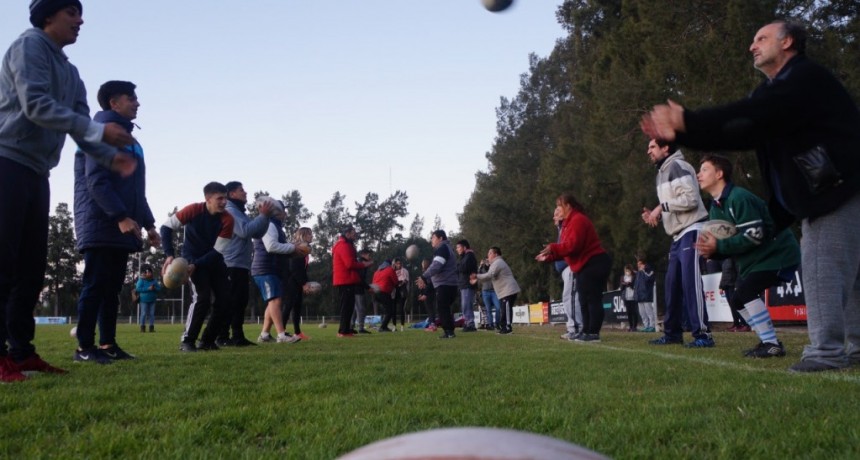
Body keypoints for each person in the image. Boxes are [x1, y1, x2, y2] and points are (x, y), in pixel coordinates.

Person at [642, 20, 860, 372]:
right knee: (852, 276)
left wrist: (688, 122)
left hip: (838, 191)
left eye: (761, 39)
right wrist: (686, 132)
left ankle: (826, 352)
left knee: (823, 270)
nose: (751, 46)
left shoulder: (805, 79)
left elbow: (753, 119)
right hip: (837, 191)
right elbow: (745, 129)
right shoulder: (772, 93)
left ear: (787, 42)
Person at [0, 0, 138, 381]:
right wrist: (99, 131)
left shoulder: (72, 72)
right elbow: (36, 105)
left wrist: (111, 159)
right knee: (4, 262)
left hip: (37, 171)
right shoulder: (28, 47)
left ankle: (22, 352)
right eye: (71, 13)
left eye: (81, 13)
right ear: (48, 17)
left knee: (31, 268)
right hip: (7, 161)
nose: (80, 20)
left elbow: (80, 129)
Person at [70, 80, 158, 364]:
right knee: (95, 285)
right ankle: (84, 346)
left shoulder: (132, 143)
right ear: (113, 103)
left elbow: (135, 191)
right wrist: (119, 216)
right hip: (100, 221)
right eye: (131, 98)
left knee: (111, 289)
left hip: (122, 224)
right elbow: (96, 181)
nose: (137, 103)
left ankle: (107, 344)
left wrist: (150, 225)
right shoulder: (100, 133)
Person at [696, 155, 800, 358]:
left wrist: (719, 245)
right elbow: (730, 245)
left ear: (719, 174)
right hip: (756, 261)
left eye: (704, 169)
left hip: (778, 254)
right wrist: (713, 251)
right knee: (737, 301)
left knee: (746, 292)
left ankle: (771, 343)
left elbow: (755, 235)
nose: (699, 174)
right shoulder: (715, 209)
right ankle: (768, 341)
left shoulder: (739, 198)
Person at [641, 138, 712, 348]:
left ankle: (703, 335)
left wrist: (660, 208)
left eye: (652, 147)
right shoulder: (662, 172)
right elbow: (673, 204)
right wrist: (657, 214)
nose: (648, 151)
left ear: (666, 148)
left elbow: (690, 199)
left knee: (691, 284)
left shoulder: (677, 166)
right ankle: (672, 333)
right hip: (677, 236)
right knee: (671, 286)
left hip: (692, 230)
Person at [160, 182, 234, 352]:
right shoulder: (193, 210)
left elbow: (217, 251)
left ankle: (207, 340)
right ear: (208, 199)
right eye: (220, 198)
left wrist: (197, 264)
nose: (224, 202)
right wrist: (170, 254)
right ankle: (187, 340)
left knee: (225, 300)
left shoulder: (228, 220)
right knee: (202, 298)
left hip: (213, 262)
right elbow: (166, 227)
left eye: (225, 198)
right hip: (190, 261)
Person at [536, 193, 612, 342]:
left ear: (568, 206)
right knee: (583, 300)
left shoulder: (578, 220)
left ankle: (593, 332)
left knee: (592, 299)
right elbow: (566, 250)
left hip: (594, 262)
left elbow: (573, 246)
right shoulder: (567, 224)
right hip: (583, 265)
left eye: (559, 206)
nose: (557, 210)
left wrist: (553, 247)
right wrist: (549, 257)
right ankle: (585, 331)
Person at [218, 181, 272, 347]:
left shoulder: (239, 211)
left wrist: (265, 217)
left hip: (239, 264)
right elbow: (245, 231)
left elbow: (257, 232)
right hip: (230, 263)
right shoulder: (230, 210)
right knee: (232, 301)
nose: (245, 193)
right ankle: (223, 337)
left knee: (240, 300)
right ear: (231, 194)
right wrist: (263, 215)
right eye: (241, 190)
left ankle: (237, 336)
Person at [252, 198, 303, 344]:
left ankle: (265, 335)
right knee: (275, 300)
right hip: (265, 268)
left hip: (271, 268)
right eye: (282, 210)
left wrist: (292, 247)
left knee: (273, 301)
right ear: (276, 211)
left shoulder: (275, 225)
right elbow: (271, 246)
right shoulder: (269, 224)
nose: (285, 214)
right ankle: (282, 335)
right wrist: (293, 248)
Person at [332, 225, 373, 337]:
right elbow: (349, 264)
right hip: (344, 280)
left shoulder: (346, 245)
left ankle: (346, 330)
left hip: (347, 279)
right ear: (347, 233)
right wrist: (364, 264)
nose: (355, 236)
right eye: (353, 234)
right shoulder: (344, 246)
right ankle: (343, 331)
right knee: (346, 306)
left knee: (349, 306)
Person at [416, 230, 459, 339]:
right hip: (450, 283)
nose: (431, 240)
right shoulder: (447, 248)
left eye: (433, 237)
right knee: (445, 308)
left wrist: (424, 276)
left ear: (440, 238)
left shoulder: (442, 248)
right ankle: (450, 331)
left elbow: (436, 265)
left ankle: (448, 332)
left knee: (442, 308)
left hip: (445, 283)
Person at [472, 247, 521, 334]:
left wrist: (477, 276)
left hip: (508, 290)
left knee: (506, 310)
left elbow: (489, 275)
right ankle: (503, 328)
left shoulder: (498, 262)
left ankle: (507, 328)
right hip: (504, 291)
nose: (488, 255)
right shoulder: (494, 264)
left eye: (490, 253)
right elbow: (489, 276)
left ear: (496, 254)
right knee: (503, 309)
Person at [555, 206, 582, 339]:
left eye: (557, 213)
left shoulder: (568, 227)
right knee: (569, 297)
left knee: (570, 297)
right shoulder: (561, 229)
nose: (554, 216)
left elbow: (568, 247)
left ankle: (576, 328)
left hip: (570, 267)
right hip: (565, 269)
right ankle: (574, 326)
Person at [284, 227, 314, 340]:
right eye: (309, 234)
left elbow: (303, 269)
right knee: (288, 305)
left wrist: (306, 282)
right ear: (303, 235)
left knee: (297, 307)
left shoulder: (305, 249)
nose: (312, 236)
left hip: (297, 281)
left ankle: (297, 332)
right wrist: (303, 283)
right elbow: (295, 269)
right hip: (291, 281)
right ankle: (282, 331)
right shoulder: (297, 249)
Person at [455, 239, 478, 332]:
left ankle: (470, 323)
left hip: (467, 284)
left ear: (464, 247)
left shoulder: (469, 256)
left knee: (467, 305)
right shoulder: (465, 257)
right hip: (464, 284)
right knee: (465, 305)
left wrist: (457, 266)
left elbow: (463, 268)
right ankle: (467, 322)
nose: (457, 249)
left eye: (458, 247)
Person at [372, 260, 398, 332]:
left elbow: (373, 282)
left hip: (375, 293)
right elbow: (395, 281)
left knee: (386, 310)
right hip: (384, 292)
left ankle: (384, 326)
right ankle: (383, 327)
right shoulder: (390, 269)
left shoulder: (377, 272)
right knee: (389, 311)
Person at [352, 249, 374, 334]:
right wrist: (368, 287)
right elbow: (360, 279)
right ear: (363, 254)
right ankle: (361, 328)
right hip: (358, 289)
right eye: (369, 254)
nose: (370, 257)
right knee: (361, 309)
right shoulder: (362, 264)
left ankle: (351, 326)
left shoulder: (360, 262)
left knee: (354, 309)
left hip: (354, 288)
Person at [135, 265, 161, 333]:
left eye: (150, 272)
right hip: (144, 300)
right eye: (147, 272)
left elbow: (159, 288)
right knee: (143, 314)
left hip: (152, 300)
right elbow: (138, 289)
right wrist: (148, 289)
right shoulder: (141, 280)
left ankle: (151, 328)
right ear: (145, 273)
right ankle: (142, 328)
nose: (149, 273)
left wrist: (154, 288)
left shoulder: (154, 281)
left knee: (152, 314)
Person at [634, 257, 657, 333]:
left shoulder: (649, 270)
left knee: (649, 311)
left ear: (644, 264)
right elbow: (637, 284)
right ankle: (646, 326)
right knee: (642, 312)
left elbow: (649, 278)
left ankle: (652, 326)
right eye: (638, 264)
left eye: (640, 264)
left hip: (647, 295)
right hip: (640, 296)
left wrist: (644, 270)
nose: (639, 266)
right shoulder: (638, 273)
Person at [477, 257, 499, 330]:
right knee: (488, 309)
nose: (486, 261)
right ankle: (490, 324)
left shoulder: (493, 267)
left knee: (498, 308)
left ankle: (498, 323)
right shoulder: (482, 269)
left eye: (488, 260)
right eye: (485, 260)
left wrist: (490, 265)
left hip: (494, 290)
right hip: (485, 291)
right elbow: (477, 275)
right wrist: (480, 266)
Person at [417, 258, 438, 332]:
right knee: (429, 310)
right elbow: (423, 285)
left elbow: (430, 284)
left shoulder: (429, 273)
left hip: (430, 293)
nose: (422, 264)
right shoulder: (424, 273)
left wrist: (425, 294)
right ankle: (431, 324)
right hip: (426, 293)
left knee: (431, 309)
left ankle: (432, 325)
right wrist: (421, 293)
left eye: (424, 263)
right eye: (422, 263)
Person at [620, 265, 639, 332]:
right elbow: (621, 288)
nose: (627, 272)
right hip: (626, 297)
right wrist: (624, 284)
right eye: (626, 271)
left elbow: (633, 285)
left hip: (633, 297)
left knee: (634, 312)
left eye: (628, 271)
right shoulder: (623, 277)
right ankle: (631, 326)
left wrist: (628, 284)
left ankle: (635, 326)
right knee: (629, 312)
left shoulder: (634, 277)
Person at [393, 257, 410, 331]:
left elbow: (406, 280)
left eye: (400, 263)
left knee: (401, 309)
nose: (399, 265)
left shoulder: (405, 271)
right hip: (394, 290)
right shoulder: (392, 271)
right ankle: (394, 326)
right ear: (395, 264)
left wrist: (401, 284)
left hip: (402, 290)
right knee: (393, 309)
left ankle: (402, 326)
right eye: (397, 263)